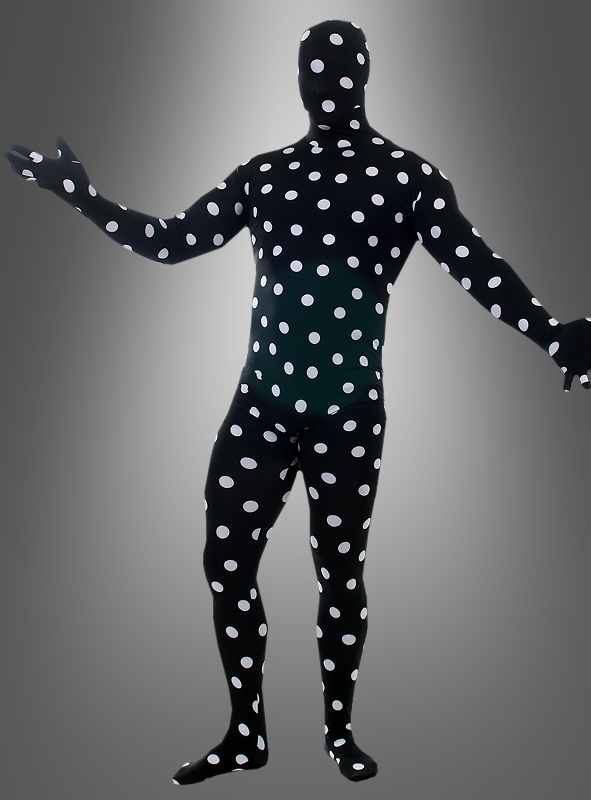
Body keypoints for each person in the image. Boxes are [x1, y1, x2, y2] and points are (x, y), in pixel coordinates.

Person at [3, 18, 591, 786]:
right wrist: (80, 195)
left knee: (338, 574)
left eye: (331, 66)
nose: (323, 79)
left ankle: (335, 733)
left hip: (341, 416)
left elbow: (476, 267)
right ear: (306, 80)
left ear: (353, 78)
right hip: (266, 408)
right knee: (230, 565)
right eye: (315, 65)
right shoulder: (282, 174)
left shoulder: (398, 177)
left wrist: (553, 335)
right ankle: (248, 733)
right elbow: (172, 241)